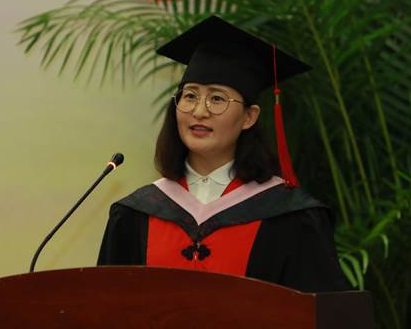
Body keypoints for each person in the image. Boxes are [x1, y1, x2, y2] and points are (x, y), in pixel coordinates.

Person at [98, 16, 348, 293]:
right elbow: (106, 306)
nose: (199, 111)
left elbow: (321, 313)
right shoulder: (136, 213)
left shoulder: (290, 217)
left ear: (249, 117)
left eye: (217, 98)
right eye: (190, 96)